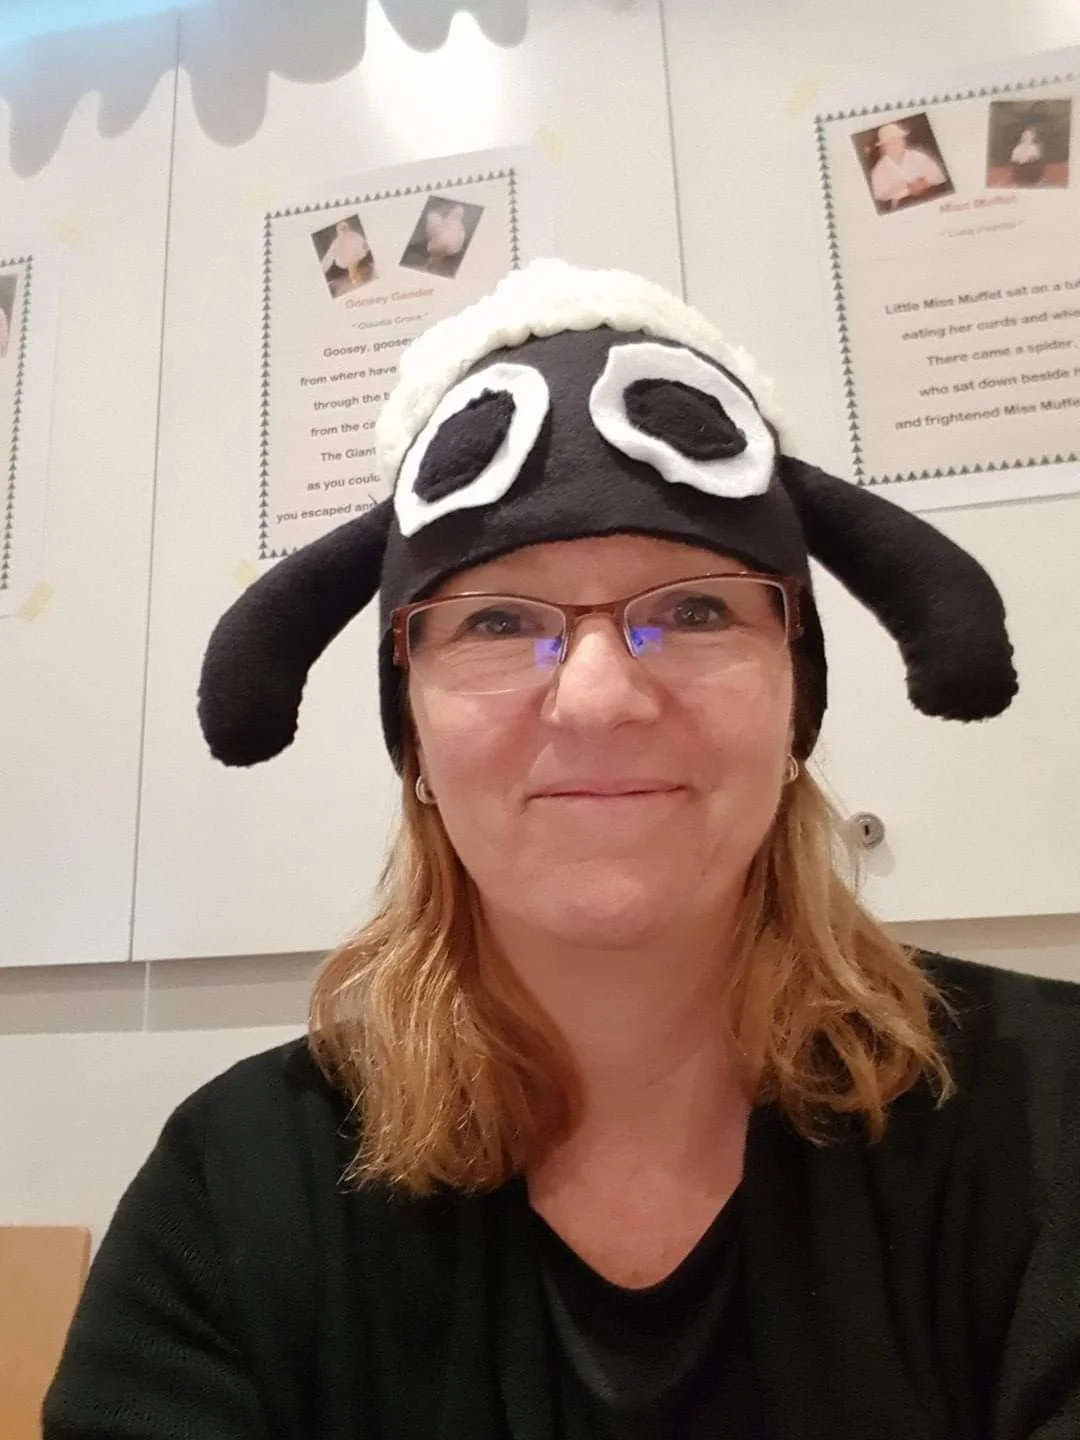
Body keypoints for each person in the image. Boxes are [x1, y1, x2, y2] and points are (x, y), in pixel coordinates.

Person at [45, 260, 1080, 1439]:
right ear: (413, 736)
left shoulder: (1051, 1119)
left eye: (695, 609)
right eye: (497, 620)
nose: (598, 699)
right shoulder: (232, 1188)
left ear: (794, 703)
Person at [869, 120, 948, 209]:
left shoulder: (918, 156)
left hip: (928, 196)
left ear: (903, 141)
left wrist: (925, 182)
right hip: (903, 204)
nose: (896, 144)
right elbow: (878, 196)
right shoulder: (878, 170)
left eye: (898, 140)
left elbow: (939, 177)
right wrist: (899, 188)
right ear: (884, 147)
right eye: (891, 142)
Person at [320, 218, 371, 287]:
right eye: (343, 228)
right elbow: (330, 254)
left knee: (353, 267)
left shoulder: (348, 237)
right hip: (352, 256)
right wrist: (324, 267)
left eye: (344, 228)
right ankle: (355, 279)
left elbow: (363, 241)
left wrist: (366, 246)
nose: (344, 230)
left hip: (351, 257)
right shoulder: (344, 238)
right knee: (352, 267)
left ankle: (355, 278)